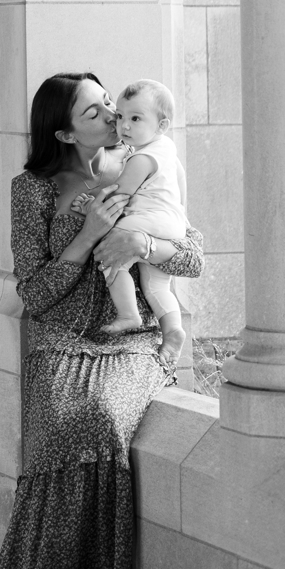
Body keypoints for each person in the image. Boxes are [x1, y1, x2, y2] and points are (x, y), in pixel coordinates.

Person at [0, 70, 203, 569]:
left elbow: (191, 256)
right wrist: (88, 234)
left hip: (132, 338)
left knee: (102, 417)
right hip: (62, 341)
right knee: (62, 428)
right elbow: (33, 291)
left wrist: (144, 245)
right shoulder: (32, 189)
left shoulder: (142, 166)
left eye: (111, 106)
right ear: (65, 133)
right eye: (95, 113)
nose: (113, 117)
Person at [96, 79, 188, 366]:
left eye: (135, 118)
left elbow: (119, 196)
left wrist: (90, 203)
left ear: (161, 125)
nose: (123, 125)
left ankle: (128, 313)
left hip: (147, 222)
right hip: (172, 224)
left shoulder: (141, 159)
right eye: (121, 116)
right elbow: (180, 193)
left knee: (111, 258)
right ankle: (173, 330)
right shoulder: (167, 149)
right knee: (158, 285)